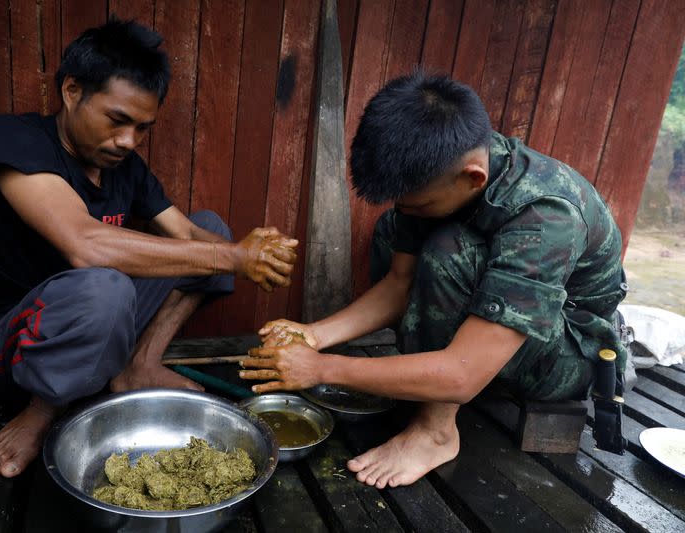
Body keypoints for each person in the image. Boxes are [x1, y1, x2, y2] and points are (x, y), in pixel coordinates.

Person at [239, 71, 628, 489]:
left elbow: (461, 376)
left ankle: (436, 432)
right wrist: (314, 336)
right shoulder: (445, 166)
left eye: (420, 202)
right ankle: (428, 393)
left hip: (572, 352)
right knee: (406, 229)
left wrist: (320, 368)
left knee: (449, 251)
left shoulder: (546, 217)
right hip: (499, 338)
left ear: (473, 178)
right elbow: (399, 284)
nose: (411, 210)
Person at [0, 18, 298, 478]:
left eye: (142, 128)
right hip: (16, 350)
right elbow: (84, 243)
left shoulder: (124, 167)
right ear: (72, 90)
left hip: (100, 327)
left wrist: (256, 253)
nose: (128, 141)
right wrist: (233, 256)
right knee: (106, 286)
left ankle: (138, 366)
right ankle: (41, 412)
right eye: (117, 121)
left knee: (206, 229)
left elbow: (189, 237)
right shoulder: (12, 140)